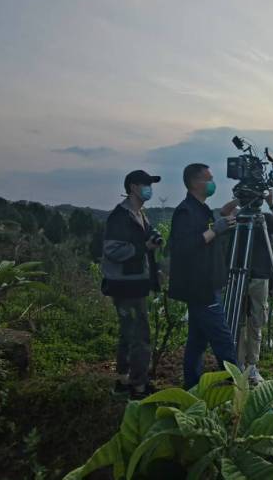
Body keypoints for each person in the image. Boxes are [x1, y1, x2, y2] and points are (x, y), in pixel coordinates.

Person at [168, 163, 239, 389]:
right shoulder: (185, 211)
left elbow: (207, 240)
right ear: (195, 182)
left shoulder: (202, 209)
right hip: (201, 288)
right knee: (223, 341)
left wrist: (221, 227)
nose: (212, 182)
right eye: (208, 178)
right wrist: (214, 230)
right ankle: (237, 388)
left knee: (197, 342)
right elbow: (182, 247)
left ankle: (192, 387)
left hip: (207, 284)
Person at [101, 170, 162, 399]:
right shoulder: (120, 216)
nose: (149, 188)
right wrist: (144, 247)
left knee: (129, 333)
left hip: (136, 282)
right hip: (126, 285)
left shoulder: (139, 214)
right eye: (146, 184)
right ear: (133, 187)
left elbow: (142, 242)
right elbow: (112, 250)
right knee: (140, 335)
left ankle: (123, 380)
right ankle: (138, 386)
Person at [225, 189, 273, 384]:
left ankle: (252, 365)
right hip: (237, 272)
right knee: (238, 321)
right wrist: (242, 198)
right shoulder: (238, 215)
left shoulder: (266, 219)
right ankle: (237, 365)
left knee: (256, 321)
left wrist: (272, 204)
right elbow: (223, 212)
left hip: (260, 276)